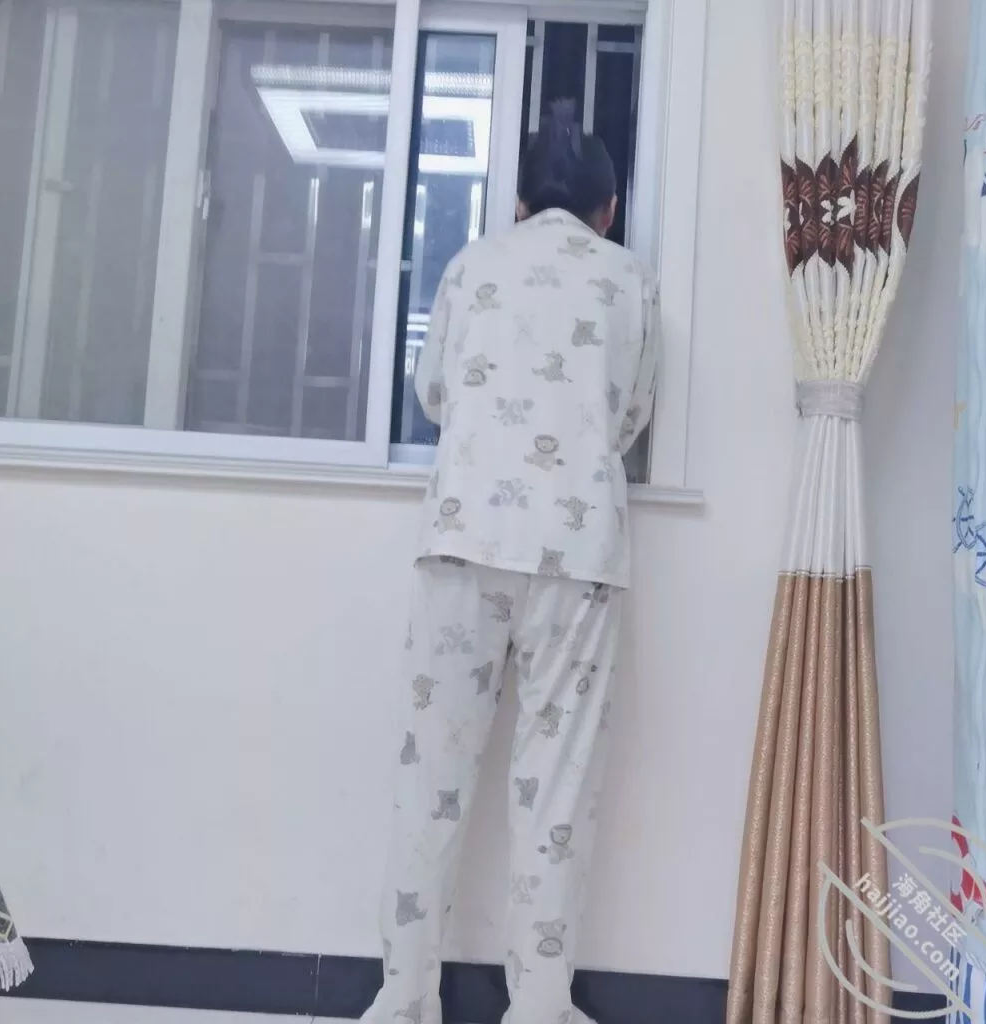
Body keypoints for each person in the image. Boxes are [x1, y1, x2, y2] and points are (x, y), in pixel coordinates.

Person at [363, 99, 661, 1024]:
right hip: (579, 554)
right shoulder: (629, 279)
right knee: (556, 792)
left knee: (430, 780)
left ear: (521, 205)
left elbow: (433, 393)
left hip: (464, 539)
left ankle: (404, 999)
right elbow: (630, 415)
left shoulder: (470, 265)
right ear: (609, 210)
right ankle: (538, 1007)